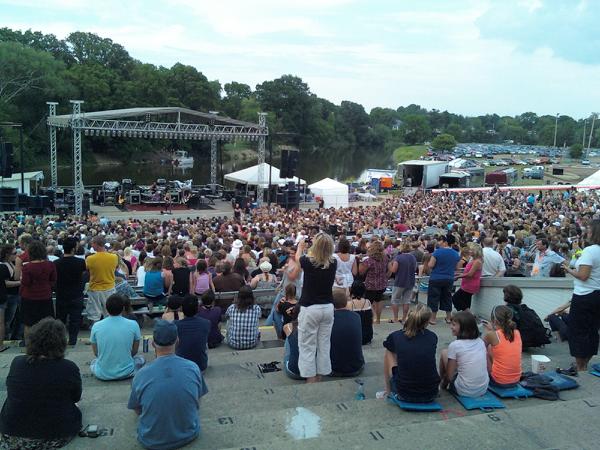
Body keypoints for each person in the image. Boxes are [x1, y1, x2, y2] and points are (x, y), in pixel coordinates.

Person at [0, 318, 81, 448]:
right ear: (61, 343)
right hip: (56, 434)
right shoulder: (68, 367)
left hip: (12, 433)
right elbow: (76, 397)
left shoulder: (17, 363)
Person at [128, 320, 208, 450]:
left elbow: (137, 410)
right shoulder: (193, 367)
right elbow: (197, 402)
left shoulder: (141, 374)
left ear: (153, 343)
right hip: (189, 434)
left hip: (151, 441)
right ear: (177, 340)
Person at [289, 233, 337, 383]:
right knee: (324, 343)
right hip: (328, 307)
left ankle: (311, 379)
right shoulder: (333, 262)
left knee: (307, 345)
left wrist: (300, 247)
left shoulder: (308, 261)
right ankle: (321, 376)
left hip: (310, 307)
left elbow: (298, 259)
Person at [562, 219, 600, 371]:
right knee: (592, 329)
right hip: (597, 294)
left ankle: (580, 366)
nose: (586, 233)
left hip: (585, 295)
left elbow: (583, 275)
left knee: (578, 330)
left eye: (589, 230)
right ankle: (584, 363)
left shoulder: (590, 251)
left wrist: (568, 269)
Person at [382, 304, 440, 402]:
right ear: (426, 323)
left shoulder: (396, 336)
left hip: (404, 393)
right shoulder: (432, 336)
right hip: (431, 393)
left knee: (389, 352)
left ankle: (388, 390)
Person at [90, 293, 145, 380]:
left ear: (106, 309)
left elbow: (96, 353)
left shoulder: (96, 326)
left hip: (103, 374)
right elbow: (134, 351)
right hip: (127, 372)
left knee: (93, 362)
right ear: (123, 308)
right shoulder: (133, 324)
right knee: (140, 359)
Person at [439, 311, 489, 398]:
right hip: (483, 388)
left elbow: (450, 376)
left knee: (444, 353)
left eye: (454, 325)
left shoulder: (455, 345)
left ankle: (442, 384)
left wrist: (446, 383)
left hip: (463, 390)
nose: (451, 327)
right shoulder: (480, 342)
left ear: (464, 328)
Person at [19, 240, 57, 340]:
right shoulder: (50, 265)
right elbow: (53, 280)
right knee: (47, 323)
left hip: (29, 297)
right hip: (45, 296)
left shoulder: (27, 267)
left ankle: (30, 348)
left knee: (28, 324)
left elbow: (26, 283)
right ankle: (46, 345)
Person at [54, 236, 87, 346]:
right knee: (75, 320)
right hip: (76, 294)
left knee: (60, 319)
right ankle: (72, 340)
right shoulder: (81, 262)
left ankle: (60, 340)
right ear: (73, 249)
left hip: (61, 294)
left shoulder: (56, 263)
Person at [482, 305, 522, 387]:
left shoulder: (491, 335)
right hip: (516, 380)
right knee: (494, 348)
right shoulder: (517, 332)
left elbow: (479, 347)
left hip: (498, 381)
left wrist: (489, 331)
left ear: (494, 321)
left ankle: (487, 373)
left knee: (484, 350)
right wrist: (492, 330)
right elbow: (503, 336)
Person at [329, 290, 364, 377]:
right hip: (356, 367)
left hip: (332, 368)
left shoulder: (327, 320)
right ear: (346, 302)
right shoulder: (356, 317)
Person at [427, 234, 460, 325]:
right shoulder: (455, 253)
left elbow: (431, 265)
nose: (439, 242)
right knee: (447, 297)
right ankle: (448, 318)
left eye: (441, 240)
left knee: (434, 298)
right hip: (449, 278)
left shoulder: (437, 252)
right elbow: (457, 267)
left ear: (445, 242)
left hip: (436, 278)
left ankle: (433, 318)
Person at [85, 235, 118, 323]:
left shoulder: (90, 259)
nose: (91, 245)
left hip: (95, 290)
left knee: (94, 316)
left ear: (96, 244)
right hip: (109, 288)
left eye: (92, 243)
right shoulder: (114, 257)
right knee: (110, 313)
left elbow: (87, 269)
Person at [175, 295, 210, 371]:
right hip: (201, 366)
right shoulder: (206, 323)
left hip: (182, 367)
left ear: (182, 308)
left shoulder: (175, 325)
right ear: (197, 308)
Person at [359, 240, 389, 324]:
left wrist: (361, 262)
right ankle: (378, 319)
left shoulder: (369, 261)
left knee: (369, 303)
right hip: (382, 284)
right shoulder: (385, 259)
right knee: (379, 300)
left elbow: (361, 272)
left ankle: (371, 319)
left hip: (371, 285)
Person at [388, 242, 417, 323]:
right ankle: (404, 318)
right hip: (410, 281)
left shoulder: (398, 258)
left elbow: (394, 270)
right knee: (406, 300)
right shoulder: (413, 257)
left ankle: (395, 318)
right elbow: (414, 268)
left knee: (395, 300)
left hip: (400, 281)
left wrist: (389, 265)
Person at [225, 286, 261, 350]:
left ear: (239, 296)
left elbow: (226, 317)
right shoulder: (257, 308)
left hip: (233, 343)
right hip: (252, 343)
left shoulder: (232, 307)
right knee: (256, 321)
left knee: (228, 320)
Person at [452, 243, 483, 312]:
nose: (469, 251)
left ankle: (469, 314)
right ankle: (467, 316)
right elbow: (468, 272)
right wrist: (458, 274)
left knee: (455, 298)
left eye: (471, 250)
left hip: (470, 285)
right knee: (466, 302)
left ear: (475, 251)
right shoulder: (474, 260)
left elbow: (470, 274)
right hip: (468, 284)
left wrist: (458, 276)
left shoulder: (477, 261)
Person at [1, 245, 20, 347]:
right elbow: (6, 283)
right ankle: (5, 339)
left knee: (12, 318)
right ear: (7, 254)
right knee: (7, 320)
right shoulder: (4, 266)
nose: (16, 255)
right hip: (9, 295)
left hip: (14, 295)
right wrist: (20, 282)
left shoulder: (11, 263)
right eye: (14, 253)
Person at [347, 280, 373, 345]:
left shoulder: (350, 304)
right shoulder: (368, 302)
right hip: (367, 337)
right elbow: (371, 319)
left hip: (355, 337)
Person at [282, 305, 303, 380]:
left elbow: (288, 326)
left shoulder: (288, 326)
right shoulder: (316, 326)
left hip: (294, 372)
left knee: (289, 338)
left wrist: (292, 316)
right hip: (314, 371)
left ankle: (290, 360)